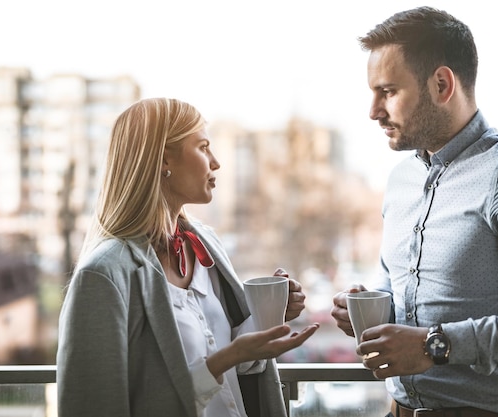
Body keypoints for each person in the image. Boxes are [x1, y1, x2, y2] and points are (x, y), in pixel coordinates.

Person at [331, 6, 498, 417]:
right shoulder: (400, 180)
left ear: (442, 84)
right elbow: (403, 295)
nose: (373, 111)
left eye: (387, 91)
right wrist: (371, 307)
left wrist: (434, 345)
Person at [56, 97, 319, 417]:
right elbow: (95, 408)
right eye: (204, 147)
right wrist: (226, 358)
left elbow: (244, 368)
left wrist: (267, 318)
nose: (216, 162)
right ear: (164, 160)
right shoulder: (103, 276)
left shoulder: (207, 244)